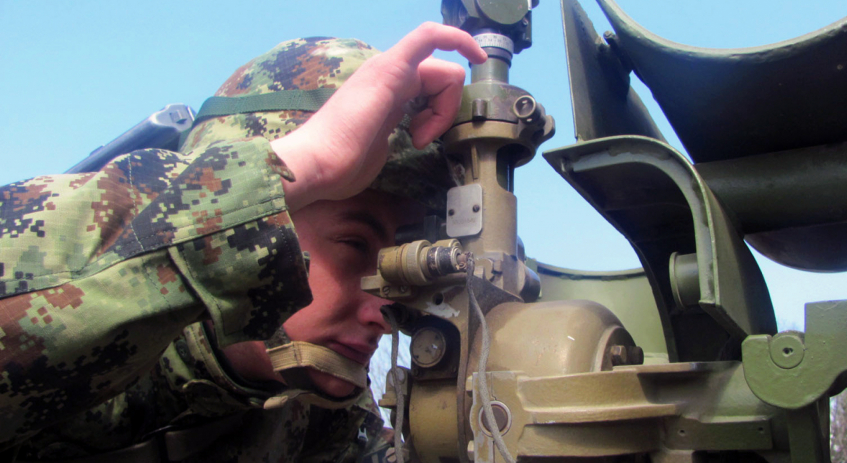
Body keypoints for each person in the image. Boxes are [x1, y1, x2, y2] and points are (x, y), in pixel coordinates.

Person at [0, 23, 487, 462]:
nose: (383, 311)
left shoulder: (324, 420)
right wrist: (303, 165)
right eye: (354, 246)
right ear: (257, 218)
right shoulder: (93, 353)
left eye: (396, 262)